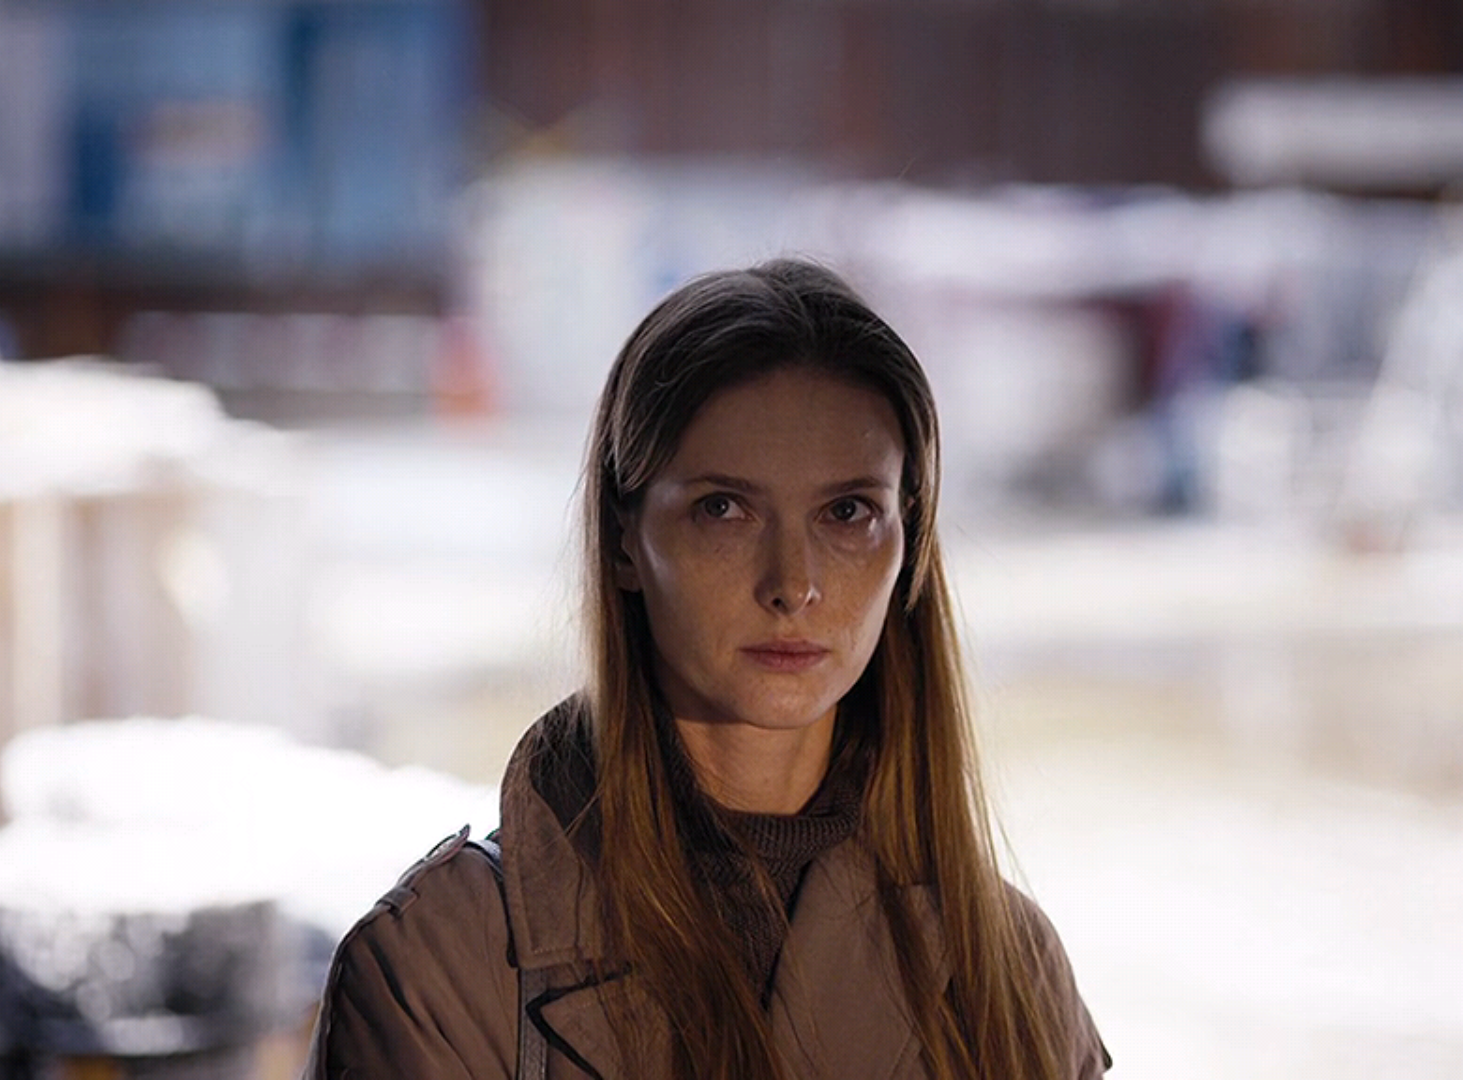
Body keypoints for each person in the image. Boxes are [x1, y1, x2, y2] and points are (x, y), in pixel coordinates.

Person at [304, 258, 1111, 1078]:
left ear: (909, 544)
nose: (792, 583)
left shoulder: (1009, 970)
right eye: (724, 509)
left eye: (847, 512)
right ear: (625, 538)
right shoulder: (444, 965)